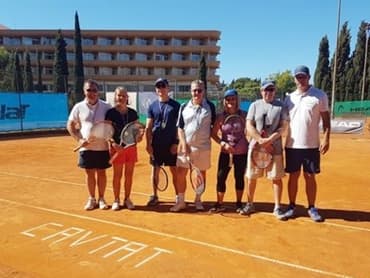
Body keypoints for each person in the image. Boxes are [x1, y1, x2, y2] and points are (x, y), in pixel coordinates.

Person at [283, 65, 331, 222]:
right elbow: (283, 122)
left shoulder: (319, 96)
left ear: (309, 77)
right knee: (293, 176)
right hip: (292, 145)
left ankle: (311, 207)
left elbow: (326, 120)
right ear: (294, 79)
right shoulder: (289, 98)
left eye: (303, 77)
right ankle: (291, 206)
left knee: (310, 176)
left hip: (311, 146)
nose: (300, 80)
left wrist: (326, 138)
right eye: (298, 77)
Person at [239, 80, 289, 220]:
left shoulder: (281, 106)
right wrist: (260, 141)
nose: (269, 93)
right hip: (256, 148)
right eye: (266, 90)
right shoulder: (255, 105)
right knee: (251, 177)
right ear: (261, 91)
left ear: (275, 91)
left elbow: (283, 126)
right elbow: (249, 125)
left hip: (275, 148)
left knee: (276, 178)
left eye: (271, 90)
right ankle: (250, 204)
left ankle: (277, 207)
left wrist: (270, 140)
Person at [66, 79, 112, 210]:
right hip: (86, 148)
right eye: (88, 90)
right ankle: (92, 199)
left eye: (94, 90)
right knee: (89, 173)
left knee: (102, 173)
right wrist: (79, 140)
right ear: (84, 91)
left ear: (98, 92)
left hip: (102, 147)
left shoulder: (106, 106)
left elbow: (112, 124)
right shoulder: (78, 107)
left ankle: (102, 199)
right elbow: (70, 125)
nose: (91, 93)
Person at [171, 79, 215, 212]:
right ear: (191, 91)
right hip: (186, 148)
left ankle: (198, 200)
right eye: (194, 90)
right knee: (180, 173)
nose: (197, 93)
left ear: (204, 91)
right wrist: (184, 144)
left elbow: (215, 126)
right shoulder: (183, 107)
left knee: (201, 174)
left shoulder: (211, 107)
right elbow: (180, 127)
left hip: (203, 148)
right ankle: (181, 201)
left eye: (199, 90)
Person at [210, 89, 248, 213]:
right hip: (226, 153)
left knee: (239, 177)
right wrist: (223, 143)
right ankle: (219, 203)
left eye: (233, 99)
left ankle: (239, 203)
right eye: (228, 99)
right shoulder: (220, 117)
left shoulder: (244, 115)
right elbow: (214, 134)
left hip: (241, 153)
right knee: (221, 178)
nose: (230, 101)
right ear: (224, 101)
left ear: (237, 100)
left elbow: (252, 130)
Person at [105, 87, 143, 210]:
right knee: (117, 175)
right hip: (117, 148)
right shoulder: (110, 113)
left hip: (131, 147)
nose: (120, 98)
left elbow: (138, 129)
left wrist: (139, 136)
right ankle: (116, 199)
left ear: (127, 98)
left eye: (123, 96)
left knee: (129, 174)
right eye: (118, 95)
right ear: (115, 97)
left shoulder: (132, 113)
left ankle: (127, 199)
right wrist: (113, 143)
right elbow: (107, 131)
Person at [145, 78, 180, 207]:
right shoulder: (152, 106)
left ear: (168, 88)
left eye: (163, 86)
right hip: (156, 144)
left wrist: (176, 143)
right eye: (158, 87)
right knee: (155, 170)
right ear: (156, 89)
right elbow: (148, 126)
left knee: (174, 171)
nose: (161, 89)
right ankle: (154, 195)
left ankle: (178, 197)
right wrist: (148, 144)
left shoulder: (176, 106)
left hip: (171, 144)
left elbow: (179, 127)